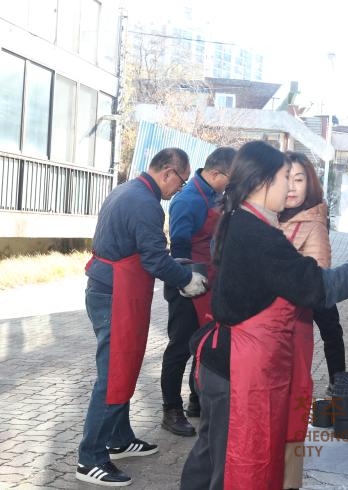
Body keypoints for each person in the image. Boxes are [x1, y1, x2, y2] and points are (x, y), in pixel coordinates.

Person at [179, 140, 348, 490]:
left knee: (210, 455)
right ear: (263, 182)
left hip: (223, 361)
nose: (289, 187)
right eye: (284, 178)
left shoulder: (238, 219)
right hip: (239, 368)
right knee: (232, 465)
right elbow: (316, 287)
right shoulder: (256, 233)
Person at [77, 148, 209, 487]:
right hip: (114, 294)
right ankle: (90, 458)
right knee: (112, 374)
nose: (178, 191)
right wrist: (186, 280)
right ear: (168, 172)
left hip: (113, 290)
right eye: (179, 183)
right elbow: (154, 259)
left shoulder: (128, 190)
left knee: (126, 366)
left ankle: (119, 438)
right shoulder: (144, 203)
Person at [278, 151, 347, 489]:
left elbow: (315, 281)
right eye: (286, 177)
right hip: (279, 323)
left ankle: (338, 384)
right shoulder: (274, 214)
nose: (291, 186)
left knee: (330, 332)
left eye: (299, 179)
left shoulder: (312, 222)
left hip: (297, 316)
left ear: (311, 183)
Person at [160, 146, 235, 437]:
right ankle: (171, 410)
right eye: (230, 178)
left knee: (203, 344)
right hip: (186, 283)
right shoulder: (188, 200)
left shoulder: (217, 195)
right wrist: (186, 281)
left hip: (210, 283)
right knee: (180, 347)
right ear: (215, 173)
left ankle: (196, 400)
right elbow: (178, 247)